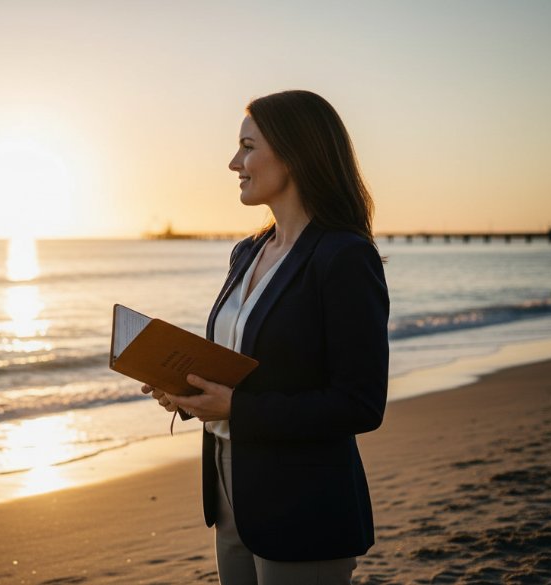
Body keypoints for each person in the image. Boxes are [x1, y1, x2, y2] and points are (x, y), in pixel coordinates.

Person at [142, 90, 389, 584]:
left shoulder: (342, 257)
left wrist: (236, 409)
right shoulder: (247, 252)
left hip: (303, 501)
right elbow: (247, 370)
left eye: (247, 146)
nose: (235, 162)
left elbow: (360, 403)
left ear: (295, 155)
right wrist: (189, 393)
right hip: (230, 491)